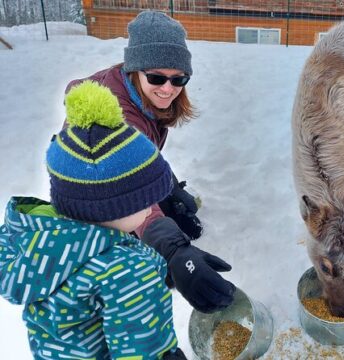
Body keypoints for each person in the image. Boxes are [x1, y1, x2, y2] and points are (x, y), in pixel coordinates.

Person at [0, 81, 188, 359]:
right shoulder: (129, 271)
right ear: (111, 207)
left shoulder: (37, 248)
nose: (152, 208)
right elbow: (143, 348)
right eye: (144, 200)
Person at [65, 10, 236, 313]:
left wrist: (168, 185)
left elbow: (146, 156)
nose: (168, 88)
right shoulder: (115, 121)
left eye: (178, 78)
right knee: (156, 258)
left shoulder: (138, 91)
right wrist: (173, 251)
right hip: (97, 199)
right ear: (136, 70)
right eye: (157, 77)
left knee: (185, 213)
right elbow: (128, 188)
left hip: (124, 174)